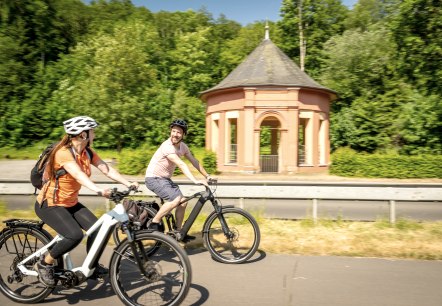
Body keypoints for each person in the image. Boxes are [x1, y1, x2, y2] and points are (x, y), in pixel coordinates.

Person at [34, 116, 139, 287]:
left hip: (70, 203)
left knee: (98, 230)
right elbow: (78, 175)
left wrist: (128, 183)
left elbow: (107, 169)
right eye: (92, 131)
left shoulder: (87, 152)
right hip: (49, 204)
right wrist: (98, 190)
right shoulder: (63, 153)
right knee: (74, 235)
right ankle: (44, 264)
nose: (94, 133)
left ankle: (91, 266)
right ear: (83, 134)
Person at [145, 119, 211, 241]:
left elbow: (194, 161)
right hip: (153, 178)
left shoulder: (183, 147)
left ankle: (178, 233)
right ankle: (154, 223)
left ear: (183, 135)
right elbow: (181, 165)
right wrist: (195, 181)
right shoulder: (167, 146)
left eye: (179, 132)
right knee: (175, 200)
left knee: (183, 202)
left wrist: (207, 176)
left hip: (165, 179)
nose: (175, 134)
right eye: (173, 131)